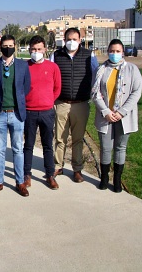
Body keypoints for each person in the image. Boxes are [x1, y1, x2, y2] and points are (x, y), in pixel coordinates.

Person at [91, 39, 142, 192]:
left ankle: (117, 179)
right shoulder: (101, 70)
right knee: (106, 148)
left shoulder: (132, 70)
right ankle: (105, 178)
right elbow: (95, 93)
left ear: (123, 53)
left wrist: (121, 112)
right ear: (108, 52)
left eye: (118, 51)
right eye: (112, 51)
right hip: (105, 116)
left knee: (120, 148)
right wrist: (106, 111)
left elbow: (136, 93)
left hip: (123, 117)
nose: (114, 54)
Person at [0, 34, 31, 197]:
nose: (8, 48)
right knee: (0, 149)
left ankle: (20, 182)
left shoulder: (22, 66)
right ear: (0, 46)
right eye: (5, 45)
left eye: (11, 45)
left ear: (15, 46)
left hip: (17, 114)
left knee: (18, 149)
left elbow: (26, 87)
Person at [51, 28, 99, 183]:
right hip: (61, 103)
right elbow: (51, 78)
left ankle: (77, 169)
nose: (72, 42)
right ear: (64, 40)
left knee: (78, 139)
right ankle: (58, 166)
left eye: (75, 39)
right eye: (69, 39)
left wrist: (93, 94)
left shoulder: (88, 55)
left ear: (80, 39)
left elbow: (96, 75)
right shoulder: (56, 55)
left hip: (81, 104)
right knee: (60, 138)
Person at [23, 36, 61, 190]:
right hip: (29, 112)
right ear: (29, 50)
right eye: (33, 49)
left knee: (47, 145)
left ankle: (50, 174)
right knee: (28, 145)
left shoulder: (52, 67)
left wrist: (48, 100)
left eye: (39, 49)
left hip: (46, 112)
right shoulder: (24, 67)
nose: (36, 52)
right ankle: (26, 174)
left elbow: (57, 88)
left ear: (45, 49)